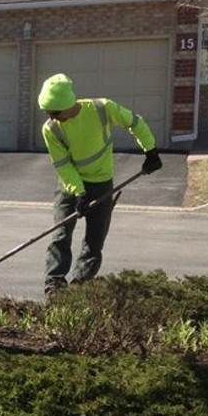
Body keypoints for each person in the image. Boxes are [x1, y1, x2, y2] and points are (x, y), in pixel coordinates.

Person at [36, 73, 162, 297]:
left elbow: (135, 122)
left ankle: (79, 287)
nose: (50, 116)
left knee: (94, 241)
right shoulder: (51, 128)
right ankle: (54, 287)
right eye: (47, 112)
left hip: (102, 184)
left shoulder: (102, 108)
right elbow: (63, 165)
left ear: (67, 104)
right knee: (60, 234)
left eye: (54, 112)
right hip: (70, 185)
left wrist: (150, 150)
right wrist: (79, 193)